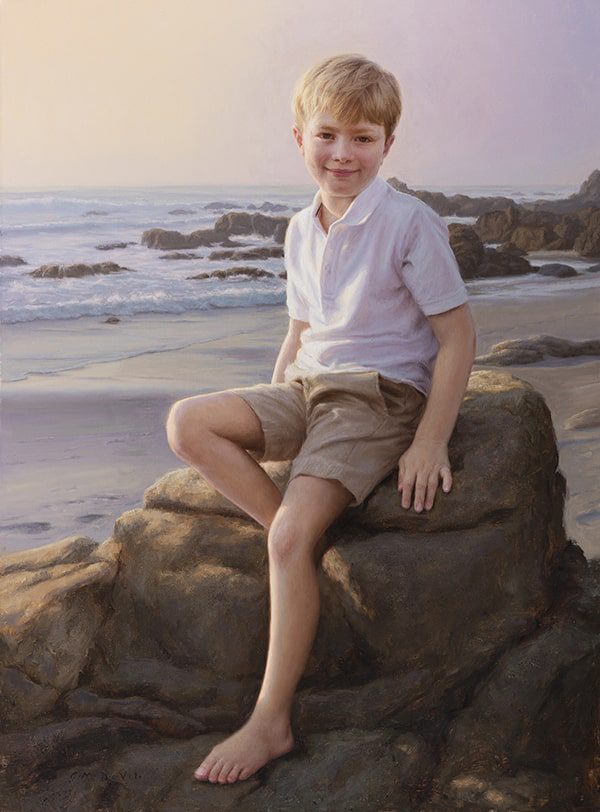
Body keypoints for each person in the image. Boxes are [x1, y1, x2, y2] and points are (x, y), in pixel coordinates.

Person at [165, 53, 477, 785]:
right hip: (309, 390)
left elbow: (457, 336)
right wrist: (273, 409)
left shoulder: (407, 221)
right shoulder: (301, 227)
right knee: (188, 423)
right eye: (328, 135)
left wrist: (430, 440)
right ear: (299, 136)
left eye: (363, 138)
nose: (344, 153)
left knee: (285, 537)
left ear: (387, 146)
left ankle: (270, 719)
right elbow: (301, 330)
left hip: (377, 395)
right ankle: (299, 547)